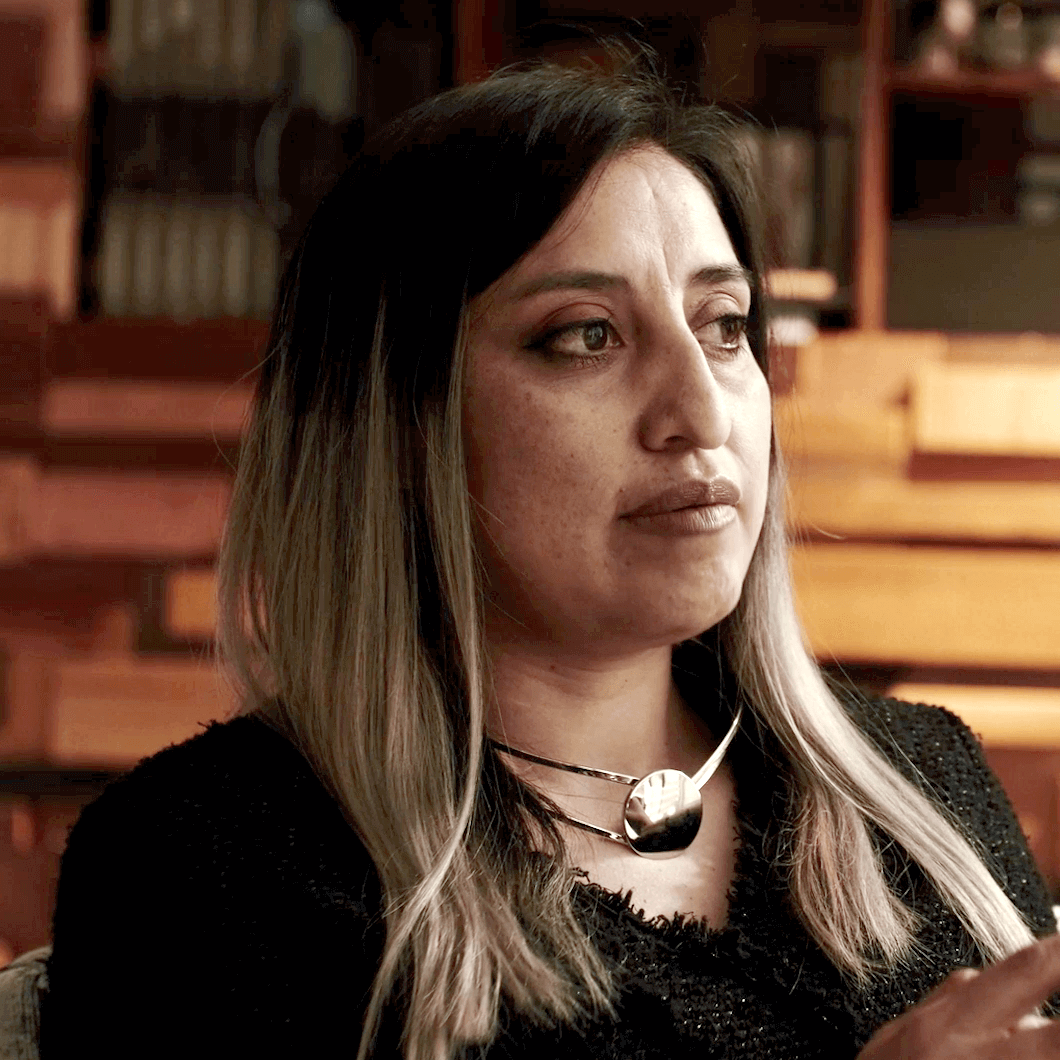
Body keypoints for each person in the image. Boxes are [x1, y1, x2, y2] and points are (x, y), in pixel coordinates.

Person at [40, 58, 1060, 1060]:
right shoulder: (204, 868)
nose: (699, 412)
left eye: (723, 325)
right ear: (394, 424)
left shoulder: (922, 785)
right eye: (585, 336)